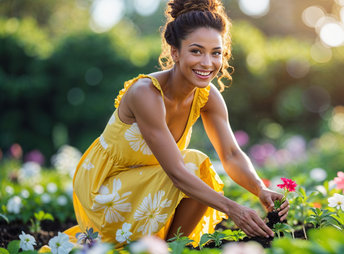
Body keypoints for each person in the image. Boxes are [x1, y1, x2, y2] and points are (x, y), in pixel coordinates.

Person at [65, 0, 289, 246]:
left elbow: (232, 154)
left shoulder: (207, 96)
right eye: (196, 51)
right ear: (175, 52)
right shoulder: (146, 93)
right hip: (105, 191)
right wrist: (232, 209)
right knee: (193, 164)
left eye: (216, 53)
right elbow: (177, 173)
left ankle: (172, 247)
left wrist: (260, 189)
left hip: (149, 185)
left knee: (198, 165)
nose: (207, 63)